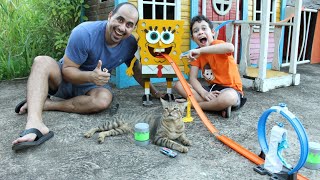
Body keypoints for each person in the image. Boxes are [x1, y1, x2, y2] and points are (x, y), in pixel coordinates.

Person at [12, 2, 162, 151]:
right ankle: (34, 124)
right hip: (64, 79)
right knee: (41, 61)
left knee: (103, 100)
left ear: (133, 28)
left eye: (129, 24)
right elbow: (67, 70)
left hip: (91, 87)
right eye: (120, 20)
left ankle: (45, 104)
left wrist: (155, 92)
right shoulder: (84, 32)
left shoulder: (130, 44)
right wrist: (91, 76)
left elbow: (135, 69)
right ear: (110, 16)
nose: (122, 28)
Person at [173, 15, 246, 118]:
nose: (200, 32)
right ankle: (217, 106)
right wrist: (203, 93)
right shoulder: (197, 54)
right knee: (179, 85)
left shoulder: (217, 45)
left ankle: (192, 105)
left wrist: (200, 51)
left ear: (212, 32)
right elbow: (193, 79)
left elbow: (230, 47)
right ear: (193, 38)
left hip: (231, 90)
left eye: (204, 28)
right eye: (196, 31)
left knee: (228, 98)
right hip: (212, 90)